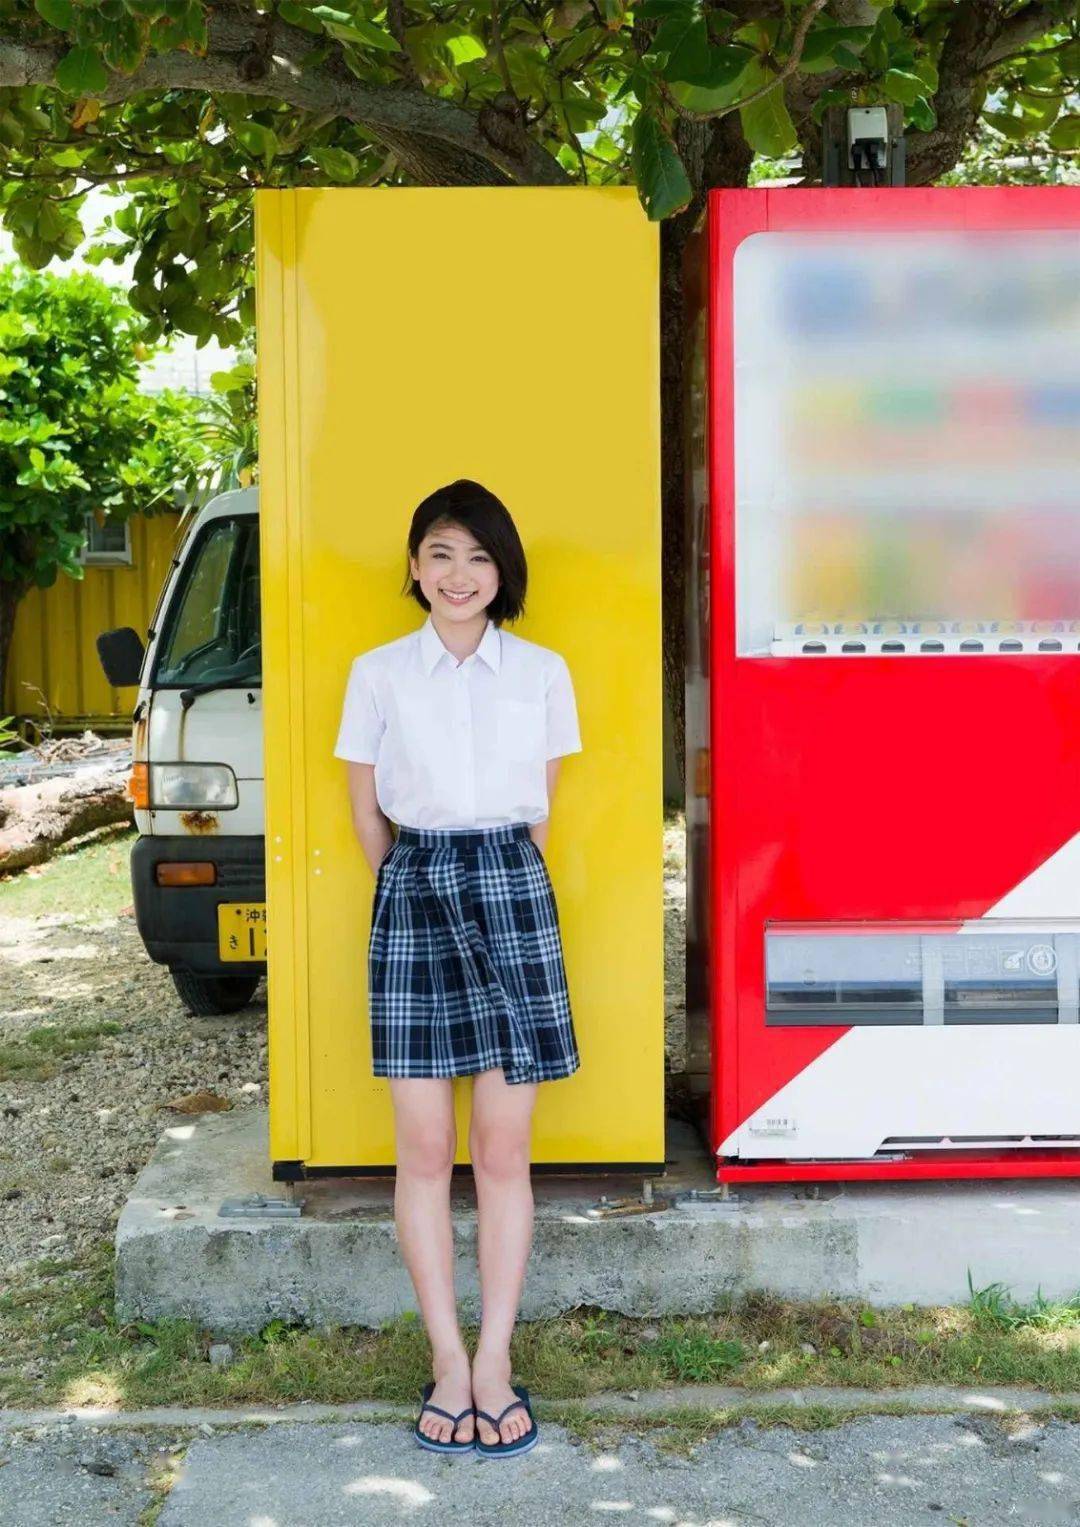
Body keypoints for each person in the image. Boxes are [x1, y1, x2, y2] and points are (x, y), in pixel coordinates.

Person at [333, 478, 582, 1459]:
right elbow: (366, 814)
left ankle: (494, 1361)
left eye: (479, 557)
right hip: (414, 888)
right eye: (441, 553)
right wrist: (413, 890)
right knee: (426, 1149)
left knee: (506, 1150)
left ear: (502, 572)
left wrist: (494, 884)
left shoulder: (543, 672)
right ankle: (445, 1360)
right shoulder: (377, 673)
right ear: (414, 567)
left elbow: (541, 813)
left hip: (512, 889)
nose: (459, 574)